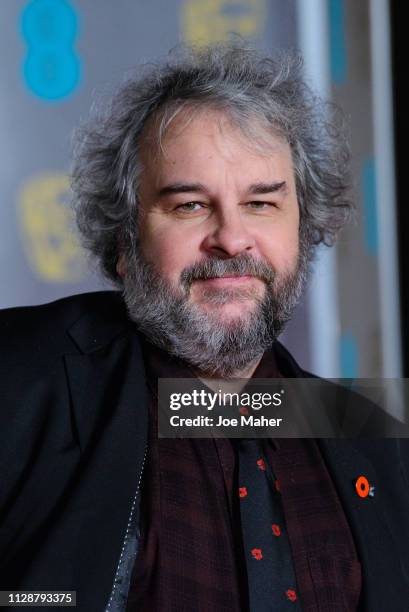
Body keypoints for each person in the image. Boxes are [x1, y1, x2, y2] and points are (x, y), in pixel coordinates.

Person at [1, 43, 408, 612]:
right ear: (124, 242)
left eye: (262, 204)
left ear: (305, 228)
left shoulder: (370, 432)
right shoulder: (16, 379)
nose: (232, 238)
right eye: (190, 205)